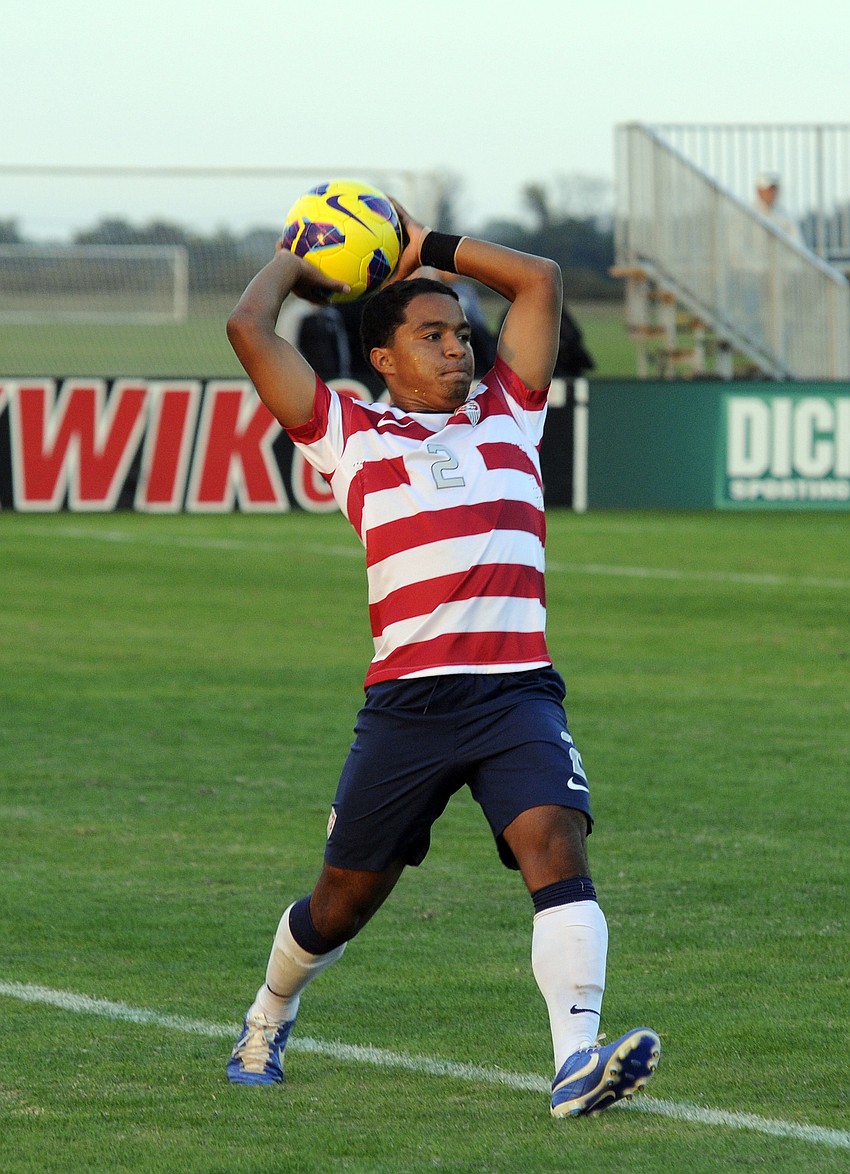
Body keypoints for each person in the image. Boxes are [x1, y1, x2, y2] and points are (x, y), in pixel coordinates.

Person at [223, 204, 661, 1118]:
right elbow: (246, 328)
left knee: (555, 842)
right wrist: (294, 261)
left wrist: (431, 250)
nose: (458, 348)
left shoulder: (512, 413)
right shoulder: (349, 436)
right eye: (432, 335)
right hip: (408, 710)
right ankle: (270, 1013)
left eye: (462, 332)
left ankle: (575, 1062)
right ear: (383, 359)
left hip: (518, 695)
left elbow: (536, 279)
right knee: (339, 905)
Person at [753, 171, 803, 245]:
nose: (771, 193)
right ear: (759, 191)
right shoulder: (748, 213)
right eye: (768, 190)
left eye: (774, 190)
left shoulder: (785, 216)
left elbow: (797, 244)